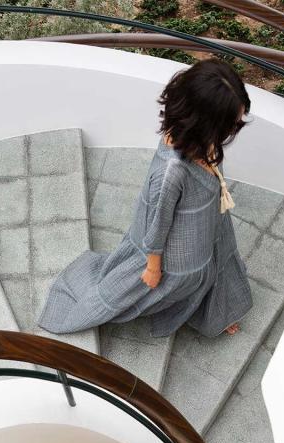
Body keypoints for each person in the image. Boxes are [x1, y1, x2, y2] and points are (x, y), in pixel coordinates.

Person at [38, 58, 253, 340]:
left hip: (208, 222)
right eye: (230, 123)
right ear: (206, 121)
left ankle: (217, 313)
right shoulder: (171, 172)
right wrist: (153, 268)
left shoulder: (199, 140)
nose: (235, 127)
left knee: (217, 263)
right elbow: (158, 220)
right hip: (182, 250)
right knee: (166, 288)